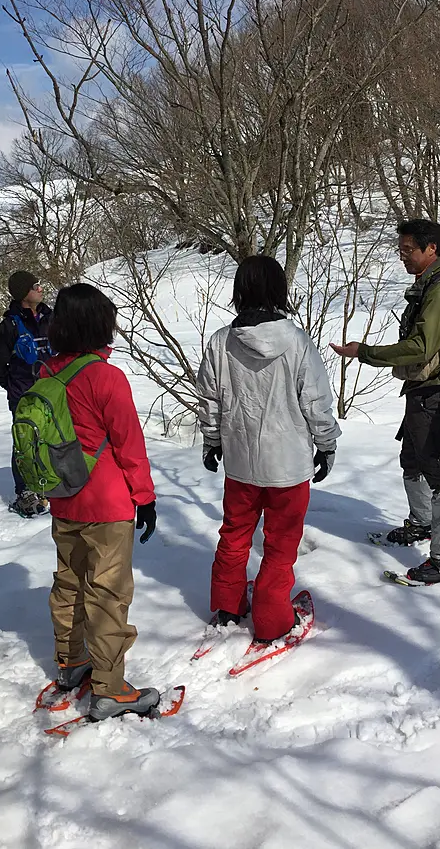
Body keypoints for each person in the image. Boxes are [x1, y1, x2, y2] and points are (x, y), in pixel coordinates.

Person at [196, 256, 341, 643]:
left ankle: (228, 606)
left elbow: (209, 400)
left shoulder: (221, 341)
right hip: (288, 466)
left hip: (241, 462)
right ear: (279, 289)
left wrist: (212, 441)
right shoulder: (296, 341)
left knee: (235, 533)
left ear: (240, 289)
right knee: (280, 543)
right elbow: (315, 402)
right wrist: (326, 445)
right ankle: (272, 618)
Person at [331, 219, 440, 584]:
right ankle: (423, 523)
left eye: (409, 250)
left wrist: (365, 352)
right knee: (413, 458)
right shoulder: (428, 284)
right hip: (422, 390)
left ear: (432, 249)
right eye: (401, 249)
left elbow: (421, 347)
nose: (403, 256)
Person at [44, 283, 160, 720]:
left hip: (63, 499)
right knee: (108, 594)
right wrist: (144, 498)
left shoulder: (48, 374)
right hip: (107, 505)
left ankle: (72, 662)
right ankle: (110, 688)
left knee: (69, 583)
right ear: (99, 324)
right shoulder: (106, 377)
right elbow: (129, 445)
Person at [0, 270, 52, 517]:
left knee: (52, 438)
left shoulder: (52, 318)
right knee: (25, 442)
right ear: (23, 293)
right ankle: (26, 492)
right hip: (23, 396)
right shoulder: (9, 326)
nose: (40, 288)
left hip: (52, 392)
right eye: (35, 285)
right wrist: (14, 386)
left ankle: (49, 482)